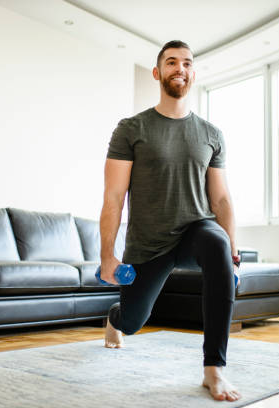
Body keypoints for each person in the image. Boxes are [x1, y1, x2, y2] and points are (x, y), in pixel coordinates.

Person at [99, 40, 241, 402]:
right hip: (149, 242)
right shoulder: (132, 129)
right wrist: (107, 257)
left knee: (217, 243)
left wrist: (232, 248)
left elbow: (221, 199)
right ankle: (115, 319)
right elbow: (114, 197)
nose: (180, 68)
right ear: (157, 72)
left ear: (193, 73)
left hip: (196, 229)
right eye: (172, 62)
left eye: (187, 63)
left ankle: (214, 369)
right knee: (133, 323)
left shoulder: (211, 134)